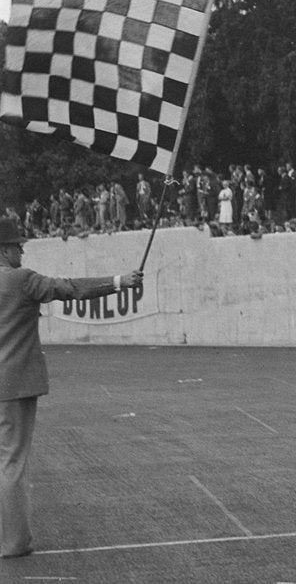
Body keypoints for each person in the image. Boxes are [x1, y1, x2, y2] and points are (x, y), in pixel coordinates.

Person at [0, 217, 143, 559]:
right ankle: (15, 542)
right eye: (18, 244)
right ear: (4, 249)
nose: (22, 248)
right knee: (13, 462)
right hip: (15, 383)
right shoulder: (21, 279)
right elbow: (70, 289)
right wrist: (120, 281)